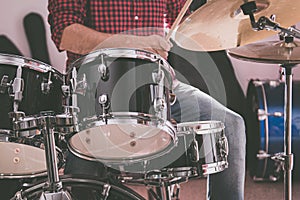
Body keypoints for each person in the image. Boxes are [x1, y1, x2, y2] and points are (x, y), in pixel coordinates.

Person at [47, 0, 246, 199]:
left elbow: (188, 26)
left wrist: (234, 12)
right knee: (84, 176)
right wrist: (133, 43)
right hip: (95, 92)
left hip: (158, 89)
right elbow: (66, 34)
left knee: (229, 124)